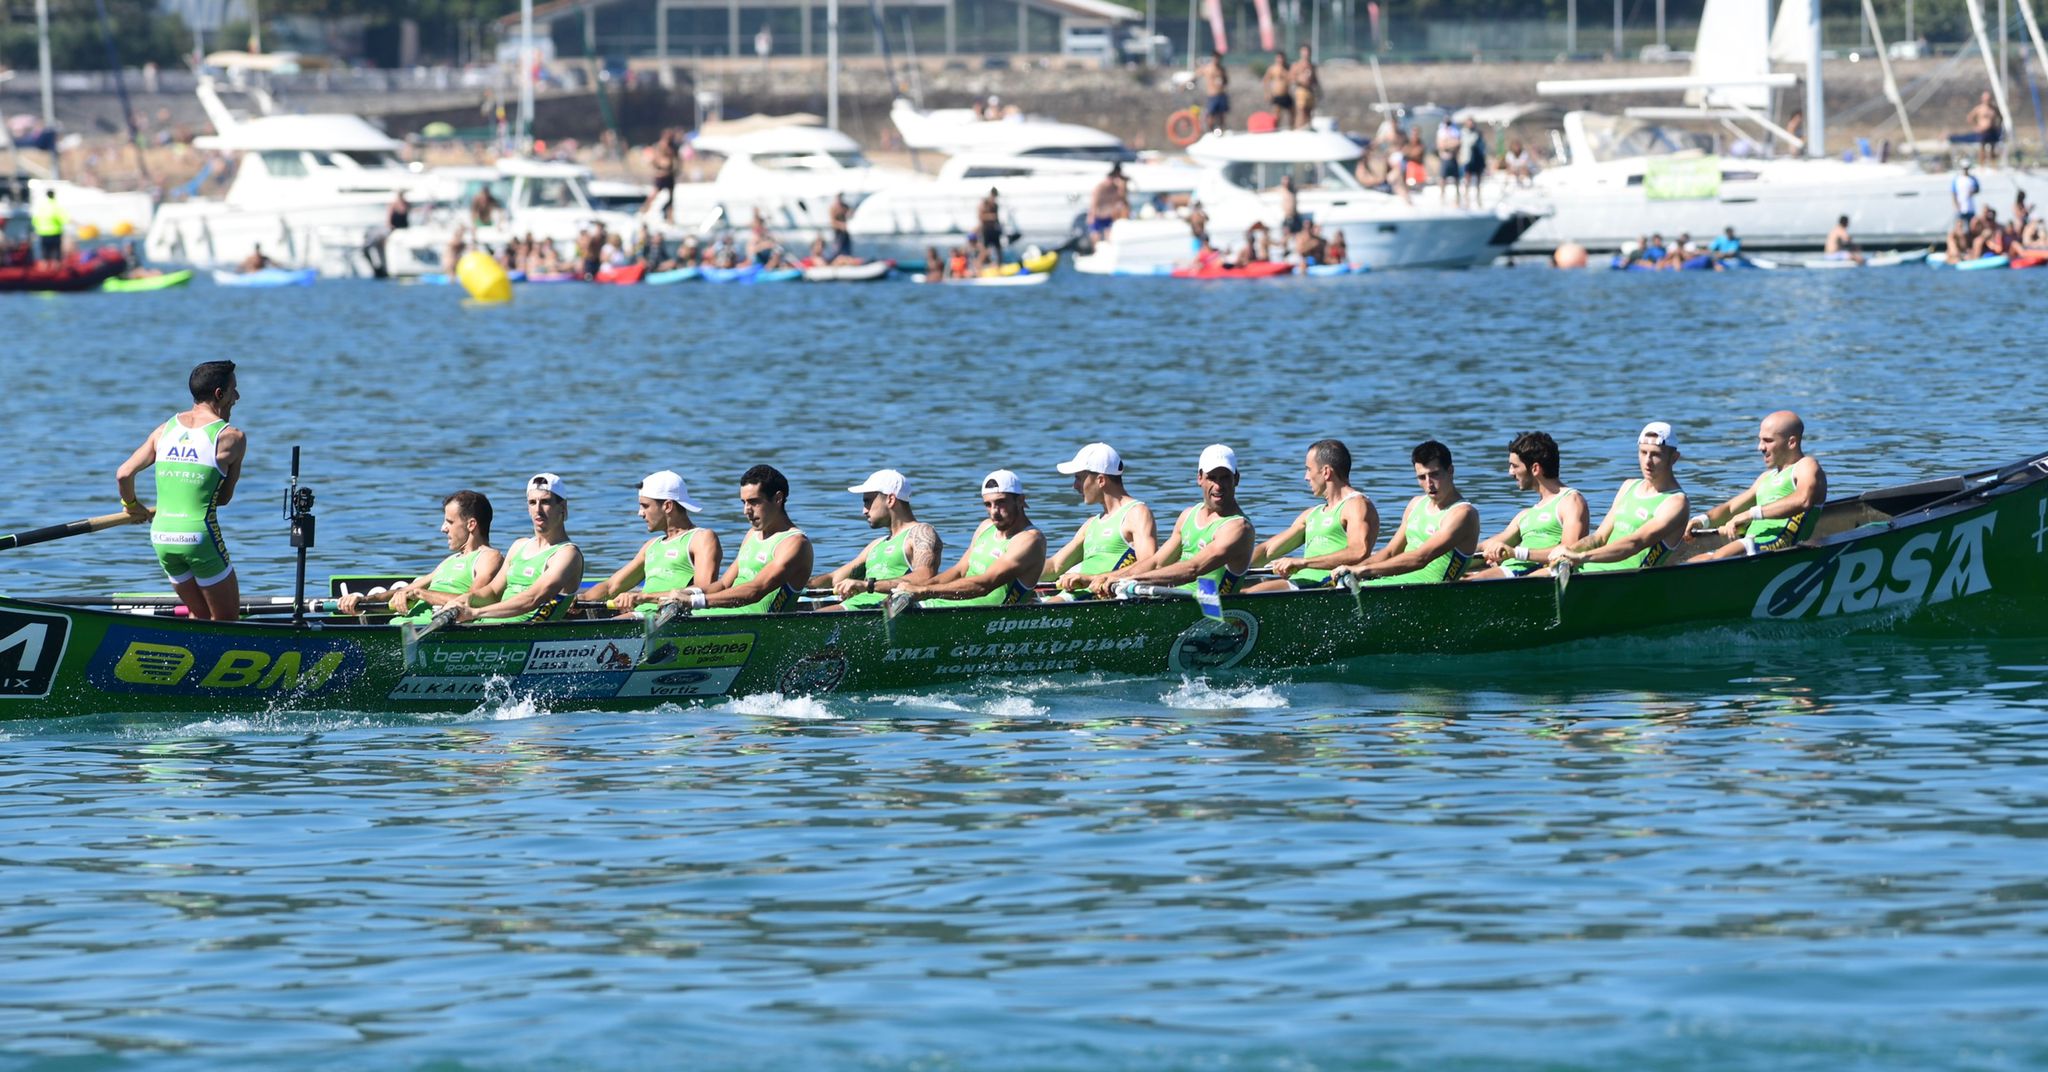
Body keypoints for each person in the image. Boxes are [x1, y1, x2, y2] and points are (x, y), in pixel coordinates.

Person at [115, 360, 247, 621]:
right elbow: (223, 498)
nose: (237, 397)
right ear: (219, 394)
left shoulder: (164, 430)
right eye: (234, 390)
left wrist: (131, 506)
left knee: (198, 616)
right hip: (198, 537)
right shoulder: (231, 438)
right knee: (227, 622)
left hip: (162, 536)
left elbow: (124, 473)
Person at [1091, 445, 1255, 597]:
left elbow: (1193, 569)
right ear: (1199, 478)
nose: (1218, 486)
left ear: (1236, 479)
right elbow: (1156, 563)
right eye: (1212, 477)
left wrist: (1131, 581)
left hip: (1212, 609)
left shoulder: (1238, 528)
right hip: (1177, 601)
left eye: (1225, 478)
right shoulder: (1188, 516)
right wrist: (1103, 578)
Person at [1334, 440, 1480, 586]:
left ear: (1450, 471)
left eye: (1434, 474)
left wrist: (1362, 571)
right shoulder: (1415, 504)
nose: (1429, 484)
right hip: (1398, 585)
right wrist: (1352, 570)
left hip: (1430, 591)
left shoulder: (1463, 513)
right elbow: (1390, 552)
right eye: (1422, 477)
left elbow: (1420, 558)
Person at [338, 491, 502, 620]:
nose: (443, 528)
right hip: (404, 628)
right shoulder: (449, 561)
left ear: (471, 524)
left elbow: (474, 601)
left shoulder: (488, 557)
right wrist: (361, 600)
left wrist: (422, 594)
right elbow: (405, 590)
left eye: (450, 522)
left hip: (431, 632)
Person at [1551, 423, 1690, 574]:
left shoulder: (1676, 502)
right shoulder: (1628, 486)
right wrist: (1568, 551)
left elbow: (1635, 543)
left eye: (1656, 454)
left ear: (1674, 458)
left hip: (1624, 580)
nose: (1647, 461)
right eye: (1643, 452)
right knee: (1535, 575)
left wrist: (1581, 556)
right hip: (1586, 570)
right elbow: (1599, 538)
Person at [579, 471, 722, 617]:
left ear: (667, 506)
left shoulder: (701, 538)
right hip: (642, 616)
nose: (640, 513)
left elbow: (704, 589)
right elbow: (612, 587)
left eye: (645, 506)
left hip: (669, 618)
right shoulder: (651, 546)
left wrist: (642, 597)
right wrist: (580, 599)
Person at [1690, 412, 1829, 560]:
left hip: (1779, 546)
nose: (1760, 447)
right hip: (1751, 544)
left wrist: (1750, 514)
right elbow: (1730, 508)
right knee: (1692, 561)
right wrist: (1701, 520)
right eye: (1760, 440)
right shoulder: (1765, 477)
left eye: (1768, 441)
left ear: (1791, 442)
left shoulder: (1806, 466)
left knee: (1720, 556)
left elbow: (1803, 500)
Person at [897, 470, 1046, 608]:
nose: (994, 511)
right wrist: (920, 588)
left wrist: (924, 591)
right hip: (946, 608)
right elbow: (959, 571)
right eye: (988, 504)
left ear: (1020, 500)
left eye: (1001, 502)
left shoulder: (1030, 540)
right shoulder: (986, 527)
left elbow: (985, 585)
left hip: (988, 620)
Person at [1246, 439, 1378, 592]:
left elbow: (1358, 552)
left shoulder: (1357, 505)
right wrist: (1228, 568)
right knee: (1233, 587)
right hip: (1302, 583)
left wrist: (1303, 562)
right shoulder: (1311, 514)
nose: (1306, 477)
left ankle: (1219, 612)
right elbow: (1268, 550)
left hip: (1327, 584)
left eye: (1309, 469)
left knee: (1245, 593)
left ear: (1326, 472)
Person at [681, 465, 814, 616]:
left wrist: (695, 601)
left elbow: (755, 591)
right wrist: (686, 593)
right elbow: (723, 584)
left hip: (758, 626)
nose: (746, 511)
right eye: (743, 502)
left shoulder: (795, 543)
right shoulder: (752, 534)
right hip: (726, 618)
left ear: (778, 498)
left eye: (754, 502)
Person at [455, 474, 586, 623]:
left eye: (545, 502)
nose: (538, 509)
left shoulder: (567, 554)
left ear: (562, 507)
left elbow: (532, 599)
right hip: (487, 628)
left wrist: (475, 612)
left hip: (526, 634)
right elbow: (492, 592)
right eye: (532, 502)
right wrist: (464, 600)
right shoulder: (519, 546)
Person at [813, 469, 943, 611]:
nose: (864, 510)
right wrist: (797, 586)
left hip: (886, 610)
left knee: (806, 620)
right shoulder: (876, 544)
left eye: (867, 502)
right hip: (856, 606)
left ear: (890, 499)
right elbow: (834, 579)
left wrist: (868, 585)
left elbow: (925, 577)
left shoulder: (921, 533)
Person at [1467, 432, 1588, 580]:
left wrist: (1516, 553)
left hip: (1533, 574)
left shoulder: (1571, 501)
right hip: (1510, 570)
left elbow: (1569, 552)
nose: (1510, 472)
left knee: (1467, 583)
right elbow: (1488, 545)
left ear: (1535, 468)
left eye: (1514, 466)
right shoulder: (1525, 515)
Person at [1045, 442, 1158, 598]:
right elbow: (1055, 567)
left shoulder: (1137, 513)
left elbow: (1150, 564)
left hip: (1103, 595)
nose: (1074, 486)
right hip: (1077, 595)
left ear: (1100, 480)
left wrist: (1093, 578)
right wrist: (1012, 572)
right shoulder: (1091, 524)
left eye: (1079, 478)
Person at [1954, 91, 2003, 168]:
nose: (1987, 100)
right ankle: (1982, 165)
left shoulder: (1994, 109)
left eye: (1989, 99)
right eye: (1986, 99)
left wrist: (1998, 126)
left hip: (1992, 130)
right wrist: (1976, 126)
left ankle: (1993, 166)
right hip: (1983, 130)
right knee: (1982, 148)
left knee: (1992, 148)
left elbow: (2000, 117)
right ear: (1982, 99)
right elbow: (1970, 118)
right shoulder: (1979, 108)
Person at [642, 128, 680, 221]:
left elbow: (677, 160)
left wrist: (676, 169)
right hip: (661, 174)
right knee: (654, 194)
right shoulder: (660, 146)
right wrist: (659, 167)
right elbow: (654, 160)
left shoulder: (673, 147)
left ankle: (670, 217)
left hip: (670, 174)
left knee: (671, 198)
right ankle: (644, 211)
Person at [1089, 165, 1125, 242]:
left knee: (1108, 233)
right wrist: (1092, 215)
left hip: (1108, 215)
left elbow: (1121, 199)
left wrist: (1121, 186)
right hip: (1098, 214)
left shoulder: (1115, 188)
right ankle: (1095, 250)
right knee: (1096, 234)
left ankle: (1107, 247)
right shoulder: (1100, 188)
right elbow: (1094, 202)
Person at [30, 189, 65, 267]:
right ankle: (56, 270)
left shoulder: (42, 206)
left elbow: (34, 220)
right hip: (55, 232)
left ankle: (44, 268)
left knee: (44, 252)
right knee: (56, 252)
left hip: (42, 232)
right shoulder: (55, 206)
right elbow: (63, 219)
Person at [1290, 45, 1320, 130]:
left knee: (1309, 112)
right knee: (1301, 111)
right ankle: (1298, 128)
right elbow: (1291, 77)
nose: (1306, 53)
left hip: (1310, 91)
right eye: (1304, 51)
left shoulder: (1312, 66)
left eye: (1307, 51)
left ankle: (1307, 128)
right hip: (1301, 90)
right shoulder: (1296, 65)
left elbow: (1315, 80)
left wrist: (1318, 91)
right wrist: (1299, 81)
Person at [1460, 117, 1487, 208]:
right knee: (1467, 177)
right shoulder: (1463, 133)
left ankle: (1478, 196)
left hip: (1478, 158)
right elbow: (1468, 143)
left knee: (1478, 178)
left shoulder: (1478, 133)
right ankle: (1466, 196)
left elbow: (1482, 146)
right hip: (1468, 159)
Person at [1435, 117, 1463, 205]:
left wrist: (1448, 144)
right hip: (1445, 158)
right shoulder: (1441, 131)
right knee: (1443, 178)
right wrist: (1449, 144)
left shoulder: (1455, 131)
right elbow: (1440, 145)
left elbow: (1457, 143)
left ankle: (1458, 197)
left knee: (1456, 179)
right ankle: (1442, 196)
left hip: (1453, 158)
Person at [1263, 53, 1294, 130]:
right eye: (1279, 58)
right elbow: (1266, 80)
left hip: (1286, 94)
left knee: (1293, 112)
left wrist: (1286, 73)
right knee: (1276, 115)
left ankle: (1292, 128)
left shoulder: (1288, 68)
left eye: (1282, 58)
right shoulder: (1273, 69)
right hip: (1277, 94)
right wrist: (1267, 93)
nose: (1280, 60)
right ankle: (1274, 129)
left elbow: (1292, 79)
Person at [1202, 55, 1230, 133]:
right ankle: (1210, 131)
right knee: (1211, 114)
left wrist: (1222, 81)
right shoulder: (1208, 68)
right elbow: (1197, 73)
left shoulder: (1221, 69)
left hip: (1221, 94)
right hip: (1212, 95)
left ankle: (1221, 130)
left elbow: (1226, 81)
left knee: (1221, 115)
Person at [977, 188, 1004, 261]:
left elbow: (996, 218)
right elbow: (980, 217)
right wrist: (991, 217)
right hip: (986, 230)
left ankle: (999, 265)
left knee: (999, 249)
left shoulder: (995, 205)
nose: (994, 198)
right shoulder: (984, 204)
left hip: (994, 230)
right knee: (984, 249)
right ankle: (978, 265)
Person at [827, 192, 854, 261]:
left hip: (845, 232)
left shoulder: (845, 206)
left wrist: (850, 213)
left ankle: (847, 261)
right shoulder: (833, 208)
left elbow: (851, 216)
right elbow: (832, 222)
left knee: (846, 250)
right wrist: (841, 225)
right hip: (838, 232)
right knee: (837, 250)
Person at [1953, 158, 1981, 222]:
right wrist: (1957, 206)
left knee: (1972, 227)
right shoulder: (1957, 179)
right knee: (1960, 227)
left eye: (1967, 168)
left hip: (1971, 208)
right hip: (1960, 209)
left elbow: (1977, 189)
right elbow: (1954, 194)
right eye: (1964, 168)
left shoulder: (1973, 179)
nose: (1965, 170)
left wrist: (1972, 191)